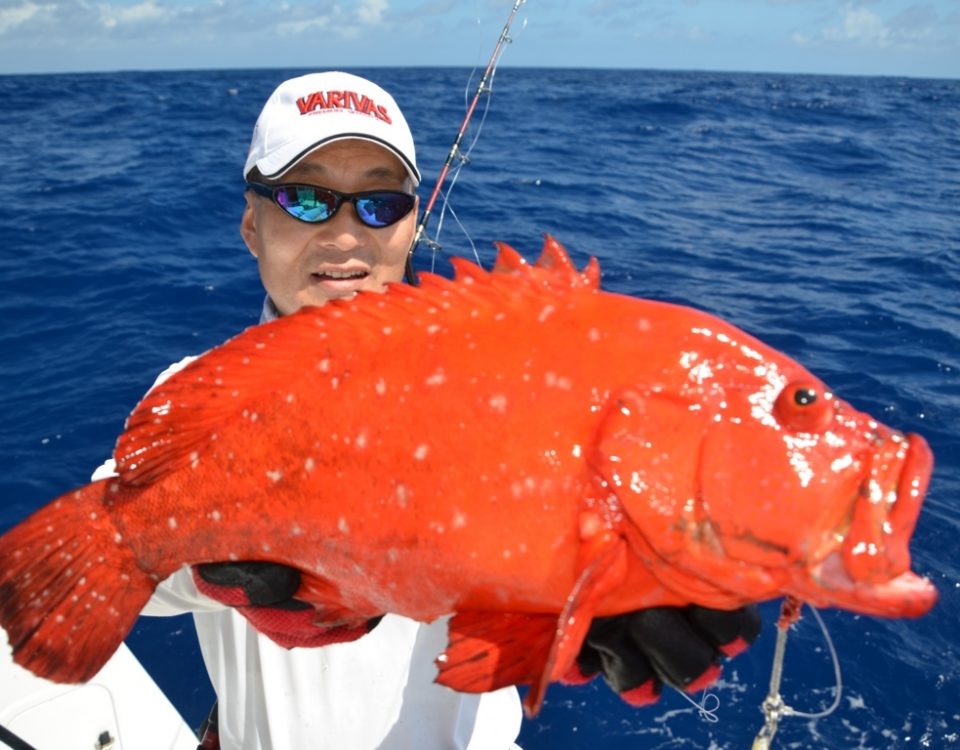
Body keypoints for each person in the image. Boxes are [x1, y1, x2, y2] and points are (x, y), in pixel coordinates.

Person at [93, 71, 760, 750]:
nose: (347, 235)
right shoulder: (193, 393)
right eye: (306, 199)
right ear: (251, 225)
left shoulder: (501, 381)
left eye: (379, 205)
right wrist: (211, 572)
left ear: (411, 222)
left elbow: (548, 523)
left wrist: (618, 580)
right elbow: (109, 568)